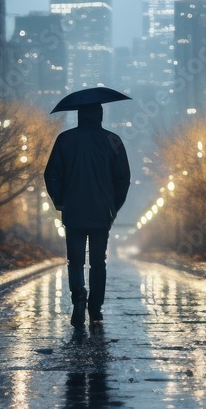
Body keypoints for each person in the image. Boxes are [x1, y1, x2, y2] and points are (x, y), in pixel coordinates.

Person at [44, 103, 130, 326]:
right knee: (98, 262)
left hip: (73, 210)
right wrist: (114, 207)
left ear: (80, 114)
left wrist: (60, 201)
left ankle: (79, 295)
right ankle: (95, 309)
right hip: (102, 212)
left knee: (75, 260)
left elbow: (51, 174)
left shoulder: (65, 139)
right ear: (100, 115)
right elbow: (123, 179)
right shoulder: (113, 140)